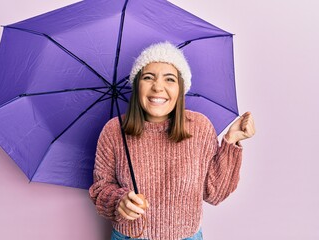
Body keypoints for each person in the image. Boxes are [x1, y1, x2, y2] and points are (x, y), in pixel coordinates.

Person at [89, 42, 255, 240]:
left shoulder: (200, 127)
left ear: (180, 89)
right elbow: (100, 189)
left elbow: (215, 194)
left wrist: (231, 140)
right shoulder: (114, 130)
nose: (158, 87)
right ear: (137, 85)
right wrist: (119, 201)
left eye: (169, 79)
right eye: (148, 77)